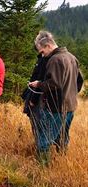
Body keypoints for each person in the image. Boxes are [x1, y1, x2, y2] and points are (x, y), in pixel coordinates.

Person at [28, 30, 84, 166]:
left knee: (44, 140)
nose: (42, 55)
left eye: (42, 51)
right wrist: (70, 95)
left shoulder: (55, 60)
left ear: (48, 46)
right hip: (70, 107)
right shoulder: (71, 57)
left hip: (55, 108)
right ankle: (62, 162)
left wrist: (38, 84)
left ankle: (43, 168)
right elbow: (80, 81)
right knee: (62, 137)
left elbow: (54, 83)